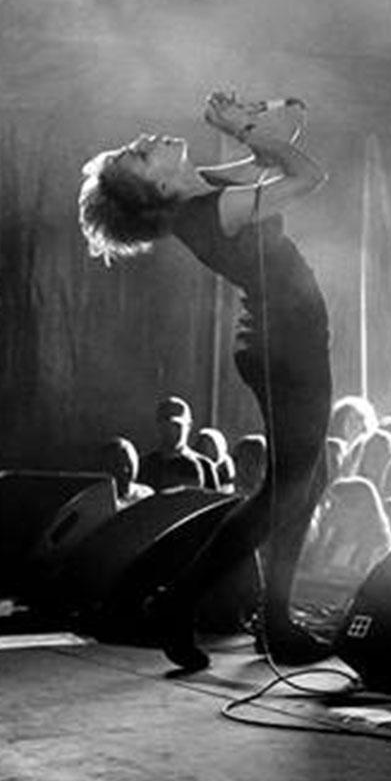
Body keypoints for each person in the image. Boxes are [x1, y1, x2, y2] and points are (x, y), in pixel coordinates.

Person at [78, 91, 332, 671]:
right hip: (285, 349)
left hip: (286, 342)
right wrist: (246, 127)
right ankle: (183, 604)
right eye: (139, 156)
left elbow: (277, 155)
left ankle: (275, 619)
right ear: (157, 191)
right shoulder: (206, 212)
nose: (144, 140)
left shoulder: (198, 186)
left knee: (307, 480)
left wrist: (267, 117)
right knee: (284, 490)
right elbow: (310, 176)